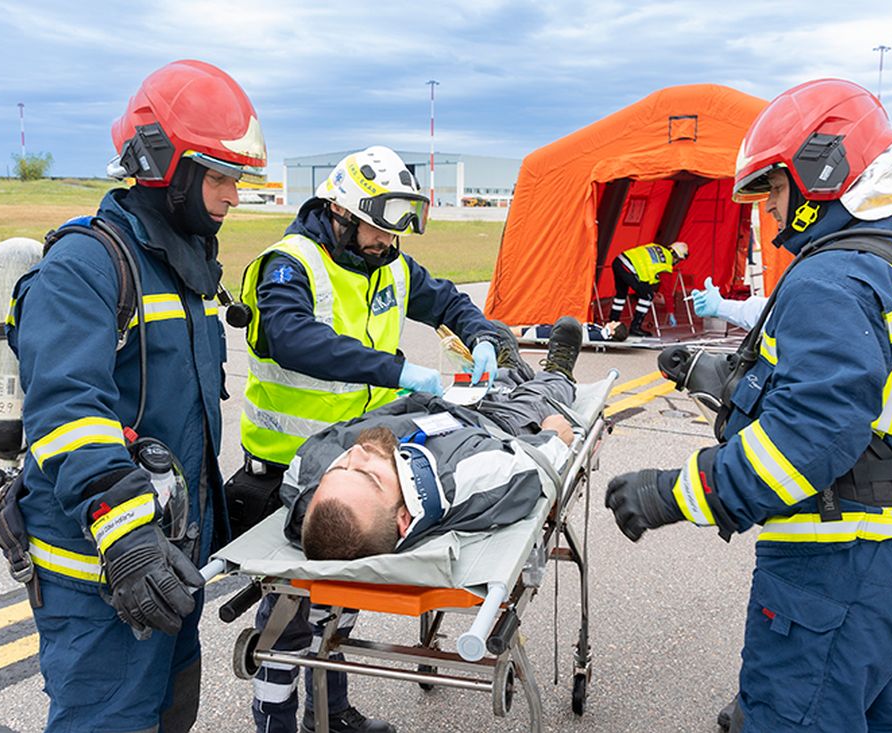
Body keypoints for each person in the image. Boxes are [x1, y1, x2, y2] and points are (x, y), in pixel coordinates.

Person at [605, 79, 892, 732]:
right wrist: (711, 371)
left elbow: (811, 438)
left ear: (820, 173)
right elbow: (877, 399)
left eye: (773, 189)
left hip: (838, 572)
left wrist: (673, 492)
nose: (770, 212)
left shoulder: (831, 278)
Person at [4, 60, 266, 732]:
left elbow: (181, 414)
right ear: (165, 165)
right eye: (220, 176)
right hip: (102, 574)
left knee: (168, 714)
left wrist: (223, 517)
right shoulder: (86, 266)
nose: (234, 196)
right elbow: (67, 411)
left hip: (165, 566)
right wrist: (125, 537)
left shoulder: (186, 270)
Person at [231, 145, 523, 733]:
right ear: (341, 213)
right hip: (290, 470)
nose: (388, 243)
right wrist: (398, 372)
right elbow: (293, 337)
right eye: (377, 229)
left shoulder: (389, 263)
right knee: (289, 612)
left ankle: (331, 712)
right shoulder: (288, 263)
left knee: (341, 599)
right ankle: (274, 716)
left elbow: (446, 300)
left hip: (354, 464)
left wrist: (483, 334)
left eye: (394, 233)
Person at [282, 316, 585, 560]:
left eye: (339, 468)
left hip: (437, 409)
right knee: (536, 399)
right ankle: (559, 373)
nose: (358, 452)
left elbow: (304, 468)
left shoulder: (313, 478)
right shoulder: (464, 481)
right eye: (368, 474)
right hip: (497, 429)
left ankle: (509, 367)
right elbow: (539, 462)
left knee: (493, 382)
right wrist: (553, 433)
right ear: (404, 518)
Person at [607, 241, 689, 337]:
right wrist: (671, 312)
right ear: (676, 257)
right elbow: (667, 292)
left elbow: (645, 264)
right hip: (628, 268)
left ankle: (612, 322)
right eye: (679, 260)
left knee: (621, 295)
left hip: (619, 261)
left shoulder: (656, 246)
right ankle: (635, 327)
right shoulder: (665, 264)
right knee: (647, 296)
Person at [516, 320, 629, 343]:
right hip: (561, 329)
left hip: (559, 332)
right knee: (524, 328)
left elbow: (606, 334)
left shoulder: (602, 334)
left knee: (523, 330)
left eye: (615, 324)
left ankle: (499, 330)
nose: (612, 321)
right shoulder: (600, 332)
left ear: (613, 332)